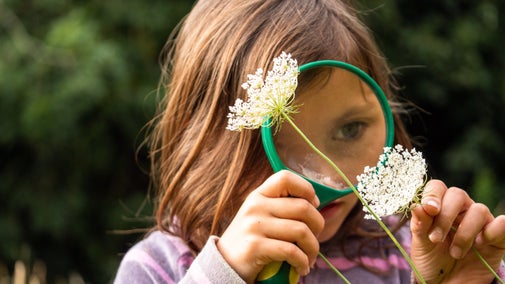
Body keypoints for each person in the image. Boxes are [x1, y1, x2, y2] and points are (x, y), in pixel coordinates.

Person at [114, 0, 505, 283]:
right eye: (278, 142)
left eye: (350, 130)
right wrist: (222, 275)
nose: (327, 172)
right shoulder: (160, 267)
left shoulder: (406, 250)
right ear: (207, 144)